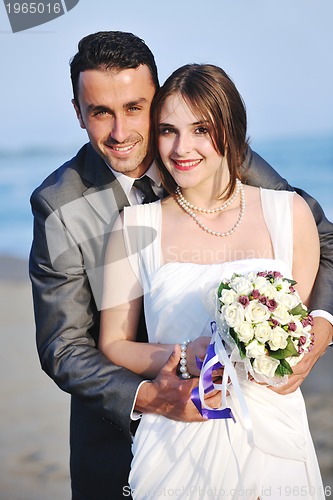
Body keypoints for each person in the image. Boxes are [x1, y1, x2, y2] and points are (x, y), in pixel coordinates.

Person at [29, 31, 332, 499]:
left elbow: (319, 232)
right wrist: (154, 397)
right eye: (100, 112)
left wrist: (320, 326)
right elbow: (64, 347)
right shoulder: (59, 204)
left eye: (135, 108)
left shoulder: (213, 153)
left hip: (263, 428)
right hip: (128, 435)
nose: (120, 132)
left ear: (158, 99)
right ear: (78, 113)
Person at [99, 63, 326, 499]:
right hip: (180, 430)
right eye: (168, 130)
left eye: (201, 129)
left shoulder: (290, 213)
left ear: (231, 130)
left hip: (274, 435)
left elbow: (299, 334)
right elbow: (114, 343)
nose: (182, 147)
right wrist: (184, 354)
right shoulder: (132, 227)